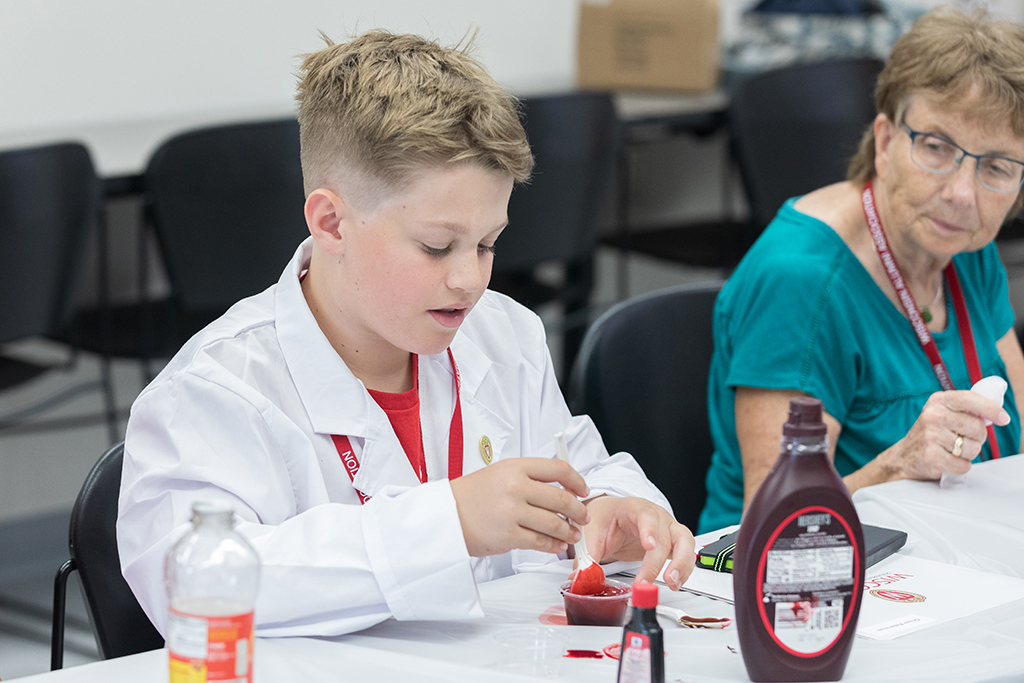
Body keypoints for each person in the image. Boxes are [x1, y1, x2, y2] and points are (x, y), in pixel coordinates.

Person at [117, 30, 695, 638]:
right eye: (436, 246)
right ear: (331, 222)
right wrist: (448, 525)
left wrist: (616, 511)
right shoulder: (215, 390)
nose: (469, 279)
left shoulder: (503, 336)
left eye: (488, 244)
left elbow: (583, 468)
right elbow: (199, 590)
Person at [699, 7, 1024, 534]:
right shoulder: (801, 281)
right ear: (888, 141)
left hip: (955, 549)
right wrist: (898, 464)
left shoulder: (963, 245)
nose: (963, 194)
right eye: (938, 148)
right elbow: (776, 517)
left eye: (997, 167)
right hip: (805, 577)